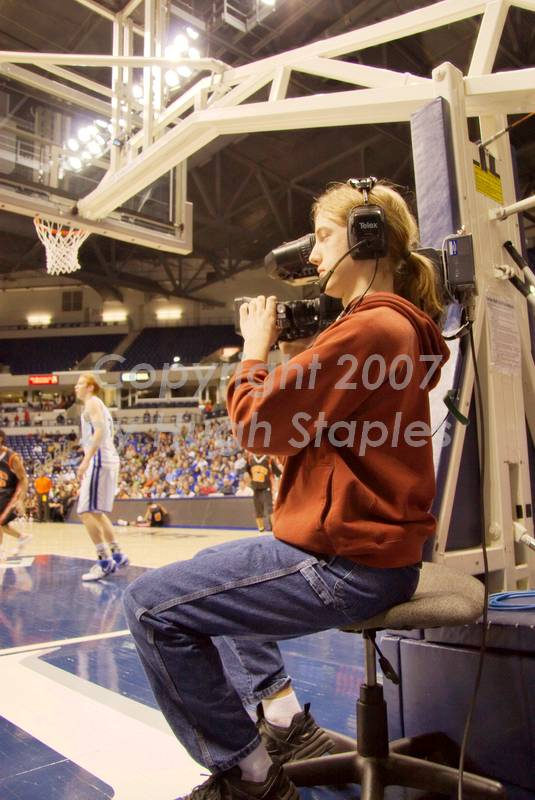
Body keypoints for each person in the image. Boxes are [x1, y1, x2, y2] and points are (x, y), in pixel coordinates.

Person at [123, 178, 450, 800]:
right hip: (370, 553)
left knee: (147, 606)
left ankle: (248, 777)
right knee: (216, 569)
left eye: (325, 237)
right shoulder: (390, 327)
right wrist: (305, 355)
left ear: (366, 238)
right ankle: (282, 721)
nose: (315, 256)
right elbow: (303, 435)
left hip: (347, 565)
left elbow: (258, 425)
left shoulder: (371, 329)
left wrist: (254, 351)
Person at [75, 374, 129, 582]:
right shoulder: (99, 405)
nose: (75, 388)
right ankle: (117, 554)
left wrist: (86, 460)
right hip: (107, 458)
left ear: (90, 387)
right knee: (96, 512)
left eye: (79, 384)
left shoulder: (92, 403)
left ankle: (104, 561)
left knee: (84, 512)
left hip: (99, 460)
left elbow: (100, 431)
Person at [0, 430, 32, 561]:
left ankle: (1, 551)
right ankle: (22, 537)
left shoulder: (12, 457)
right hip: (3, 491)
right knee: (2, 524)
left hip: (14, 491)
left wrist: (20, 500)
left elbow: (24, 479)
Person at [246, 454, 281, 532]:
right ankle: (261, 529)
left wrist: (279, 480)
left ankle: (275, 528)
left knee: (270, 508)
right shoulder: (250, 459)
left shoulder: (269, 459)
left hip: (266, 487)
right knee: (258, 509)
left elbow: (278, 473)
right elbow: (247, 471)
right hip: (256, 489)